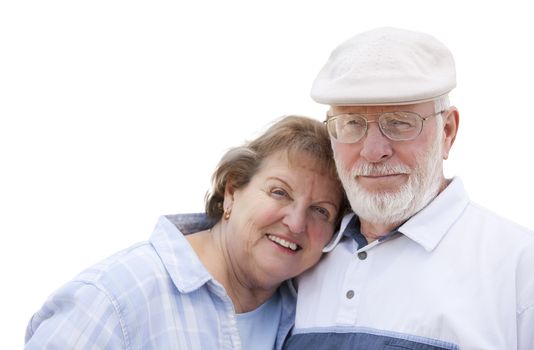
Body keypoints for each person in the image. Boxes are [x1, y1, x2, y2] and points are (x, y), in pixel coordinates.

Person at [284, 27, 534, 350]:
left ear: (448, 131)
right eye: (351, 124)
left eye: (400, 122)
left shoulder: (519, 265)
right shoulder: (302, 254)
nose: (373, 151)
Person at [25, 115, 347, 349]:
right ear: (232, 191)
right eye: (280, 192)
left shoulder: (308, 314)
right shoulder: (114, 298)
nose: (296, 222)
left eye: (321, 211)